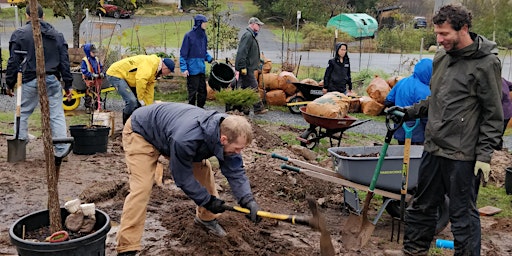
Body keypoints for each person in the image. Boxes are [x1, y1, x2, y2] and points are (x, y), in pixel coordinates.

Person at [385, 4, 502, 256]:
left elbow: (493, 115)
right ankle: (414, 251)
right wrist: (408, 112)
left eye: (445, 34)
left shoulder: (486, 63)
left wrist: (484, 156)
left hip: (462, 155)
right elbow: (435, 98)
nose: (439, 40)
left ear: (464, 29)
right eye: (437, 34)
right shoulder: (441, 57)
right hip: (433, 147)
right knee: (422, 206)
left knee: (462, 216)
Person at [116, 103, 261, 256]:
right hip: (142, 132)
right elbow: (181, 176)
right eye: (238, 148)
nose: (239, 152)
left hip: (171, 133)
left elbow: (235, 171)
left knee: (204, 171)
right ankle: (127, 248)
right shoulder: (186, 139)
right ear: (223, 139)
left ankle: (206, 219)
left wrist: (247, 200)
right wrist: (207, 200)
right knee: (141, 188)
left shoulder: (224, 133)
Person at [5, 4, 72, 158]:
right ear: (43, 16)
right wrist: (68, 84)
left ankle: (20, 145)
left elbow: (13, 61)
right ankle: (61, 149)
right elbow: (64, 61)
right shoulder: (56, 35)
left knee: (22, 111)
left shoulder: (20, 34)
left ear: (28, 15)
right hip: (52, 79)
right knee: (56, 114)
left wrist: (9, 83)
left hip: (29, 79)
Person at [106, 54, 175, 124]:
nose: (167, 74)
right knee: (132, 101)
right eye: (168, 72)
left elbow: (149, 91)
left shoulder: (155, 72)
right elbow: (141, 80)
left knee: (138, 104)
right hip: (116, 74)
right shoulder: (151, 64)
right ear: (165, 68)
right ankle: (126, 125)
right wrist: (141, 98)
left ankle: (135, 125)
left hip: (128, 77)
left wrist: (148, 107)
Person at [384, 58, 432, 145]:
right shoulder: (425, 90)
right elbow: (426, 114)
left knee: (402, 153)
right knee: (415, 156)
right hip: (417, 133)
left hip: (400, 128)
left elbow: (388, 101)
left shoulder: (402, 82)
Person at [235, 17, 268, 115]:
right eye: (258, 25)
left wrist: (259, 61)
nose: (260, 27)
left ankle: (242, 108)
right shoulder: (248, 35)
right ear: (252, 24)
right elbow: (242, 52)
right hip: (246, 68)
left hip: (248, 67)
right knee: (253, 86)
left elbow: (250, 53)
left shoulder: (251, 35)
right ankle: (258, 108)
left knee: (244, 88)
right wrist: (242, 66)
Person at [180, 14, 214, 108]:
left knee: (203, 91)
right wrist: (184, 68)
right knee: (192, 92)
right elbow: (183, 54)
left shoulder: (204, 36)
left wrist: (210, 59)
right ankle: (191, 110)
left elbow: (203, 52)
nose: (206, 25)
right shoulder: (188, 36)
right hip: (192, 70)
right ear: (199, 23)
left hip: (201, 69)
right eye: (204, 23)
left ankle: (200, 109)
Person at [80, 43, 105, 112]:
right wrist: (91, 74)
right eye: (92, 52)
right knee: (89, 92)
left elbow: (100, 67)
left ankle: (97, 106)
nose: (94, 53)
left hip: (97, 79)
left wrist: (102, 73)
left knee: (97, 92)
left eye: (95, 52)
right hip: (89, 79)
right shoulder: (85, 60)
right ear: (88, 52)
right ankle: (88, 106)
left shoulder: (96, 59)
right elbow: (84, 70)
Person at [500, 77, 512, 149]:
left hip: (502, 113)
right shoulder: (501, 79)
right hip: (507, 113)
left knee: (496, 135)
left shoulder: (498, 81)